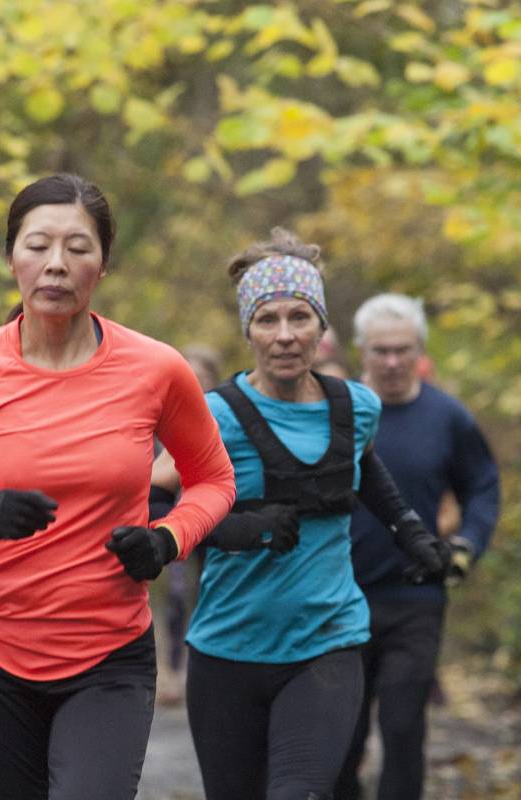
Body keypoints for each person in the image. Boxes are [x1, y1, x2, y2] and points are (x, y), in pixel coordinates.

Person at [0, 174, 237, 800]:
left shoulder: (156, 369)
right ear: (11, 258)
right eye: (37, 245)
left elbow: (213, 480)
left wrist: (167, 541)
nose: (56, 265)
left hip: (109, 655)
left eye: (78, 247)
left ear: (103, 263)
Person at [150, 229, 450, 799]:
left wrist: (410, 532)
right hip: (227, 650)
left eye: (300, 317)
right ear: (248, 330)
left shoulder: (358, 407)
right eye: (267, 319)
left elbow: (364, 470)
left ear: (321, 327)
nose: (285, 335)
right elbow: (151, 498)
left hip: (327, 644)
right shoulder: (215, 415)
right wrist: (227, 528)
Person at [336, 293, 501, 800]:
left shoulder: (447, 417)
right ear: (361, 350)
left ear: (420, 351)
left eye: (402, 350)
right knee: (343, 735)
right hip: (339, 596)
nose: (391, 361)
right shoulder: (337, 410)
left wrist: (468, 543)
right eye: (380, 350)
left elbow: (483, 486)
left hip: (417, 595)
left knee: (405, 727)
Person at [150, 344, 223, 703]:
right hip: (173, 526)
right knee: (175, 599)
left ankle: (203, 668)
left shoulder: (224, 423)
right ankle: (172, 670)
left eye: (202, 379)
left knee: (209, 590)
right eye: (188, 379)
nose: (195, 386)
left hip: (217, 526)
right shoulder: (160, 423)